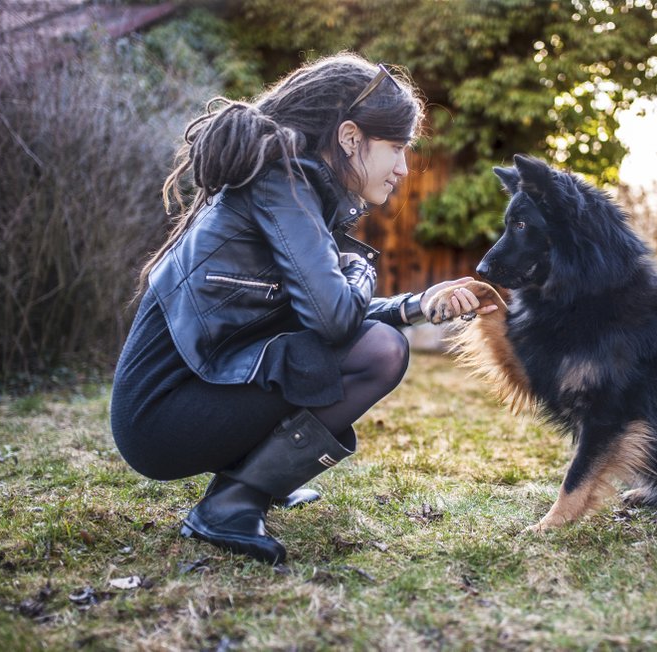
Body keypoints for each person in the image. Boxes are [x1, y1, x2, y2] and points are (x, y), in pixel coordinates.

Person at [110, 53, 497, 565]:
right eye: (397, 148)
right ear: (351, 137)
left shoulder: (295, 188)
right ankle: (233, 503)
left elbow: (323, 314)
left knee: (372, 341)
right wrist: (358, 268)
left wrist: (418, 304)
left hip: (190, 398)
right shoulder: (282, 184)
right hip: (160, 419)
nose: (404, 167)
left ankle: (256, 480)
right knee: (381, 352)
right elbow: (336, 319)